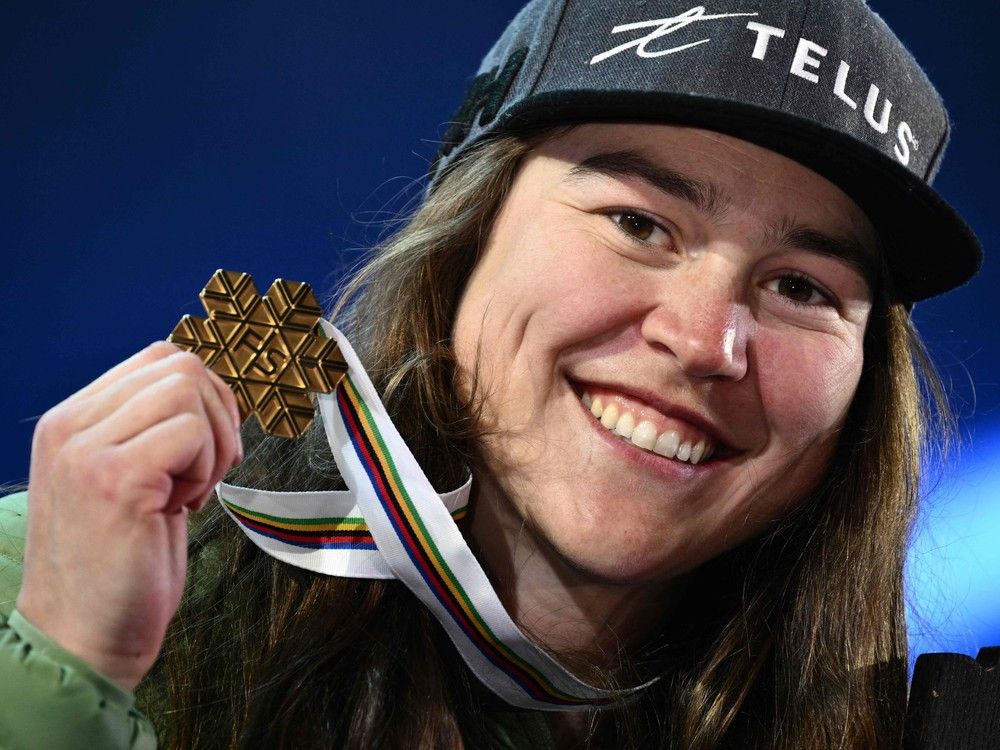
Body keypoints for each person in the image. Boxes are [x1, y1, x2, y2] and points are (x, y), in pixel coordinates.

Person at [0, 0, 990, 747]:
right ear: (464, 239)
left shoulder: (904, 728)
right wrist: (72, 671)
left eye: (801, 287)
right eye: (639, 223)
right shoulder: (48, 582)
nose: (704, 342)